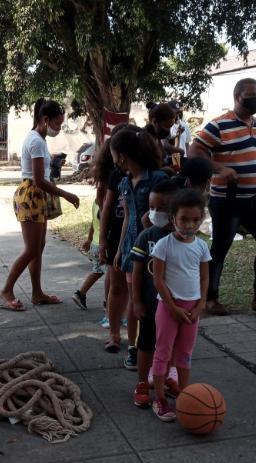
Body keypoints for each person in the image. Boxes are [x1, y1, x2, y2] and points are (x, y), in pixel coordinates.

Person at [189, 77, 256, 316]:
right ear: (237, 97)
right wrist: (220, 169)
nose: (255, 98)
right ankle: (210, 298)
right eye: (250, 95)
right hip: (226, 199)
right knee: (221, 248)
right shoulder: (218, 125)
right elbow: (194, 151)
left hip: (254, 196)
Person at [0, 98, 80, 311]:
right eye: (57, 123)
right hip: (32, 195)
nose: (59, 128)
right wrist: (67, 194)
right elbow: (39, 180)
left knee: (38, 248)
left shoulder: (39, 139)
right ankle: (7, 289)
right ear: (45, 119)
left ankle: (37, 293)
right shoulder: (36, 141)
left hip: (37, 196)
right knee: (31, 249)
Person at [151, 189, 211, 421]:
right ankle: (160, 398)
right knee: (163, 353)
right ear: (173, 218)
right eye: (184, 219)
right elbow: (157, 279)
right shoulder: (164, 245)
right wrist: (172, 307)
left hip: (192, 309)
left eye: (195, 220)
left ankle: (186, 396)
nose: (189, 225)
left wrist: (200, 305)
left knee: (185, 354)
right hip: (168, 308)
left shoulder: (201, 247)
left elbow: (205, 278)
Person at [111, 127, 168, 368]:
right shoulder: (124, 183)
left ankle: (157, 344)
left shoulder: (157, 179)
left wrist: (152, 221)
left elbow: (168, 213)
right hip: (131, 253)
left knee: (153, 300)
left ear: (122, 156)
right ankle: (134, 347)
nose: (113, 160)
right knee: (134, 301)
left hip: (155, 251)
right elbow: (127, 218)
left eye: (114, 155)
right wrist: (119, 249)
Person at [130, 179, 181, 407]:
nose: (155, 212)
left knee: (170, 345)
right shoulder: (147, 237)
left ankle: (167, 377)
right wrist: (137, 301)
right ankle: (142, 382)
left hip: (175, 306)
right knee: (146, 344)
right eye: (152, 207)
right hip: (151, 306)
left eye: (161, 208)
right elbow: (137, 273)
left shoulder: (185, 238)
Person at [97, 123, 137, 333]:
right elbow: (106, 207)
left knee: (134, 291)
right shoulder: (116, 174)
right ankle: (113, 330)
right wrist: (102, 239)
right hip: (116, 236)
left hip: (136, 238)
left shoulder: (149, 177)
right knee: (117, 285)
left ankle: (132, 335)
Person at [72, 192, 106, 310]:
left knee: (97, 271)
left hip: (95, 244)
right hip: (103, 246)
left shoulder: (95, 203)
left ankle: (80, 293)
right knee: (111, 277)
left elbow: (93, 223)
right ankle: (108, 303)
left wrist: (89, 239)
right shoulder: (105, 205)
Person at [148, 102, 182, 167]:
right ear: (155, 122)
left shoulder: (157, 138)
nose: (168, 130)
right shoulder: (146, 140)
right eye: (166, 126)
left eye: (170, 127)